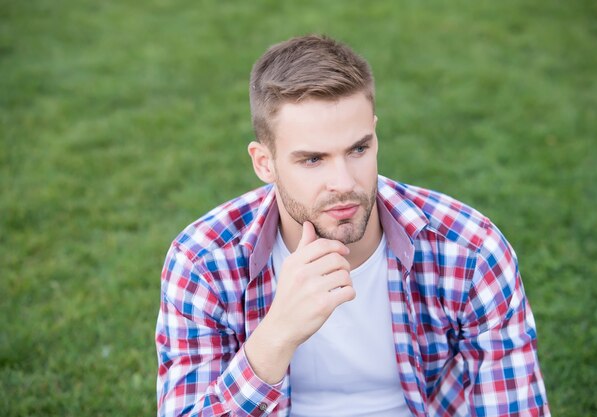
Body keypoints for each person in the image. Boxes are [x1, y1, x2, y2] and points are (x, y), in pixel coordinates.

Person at [155, 34, 550, 417]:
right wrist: (277, 333)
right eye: (313, 160)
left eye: (358, 149)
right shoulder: (203, 261)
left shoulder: (470, 250)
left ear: (375, 135)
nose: (345, 183)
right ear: (264, 163)